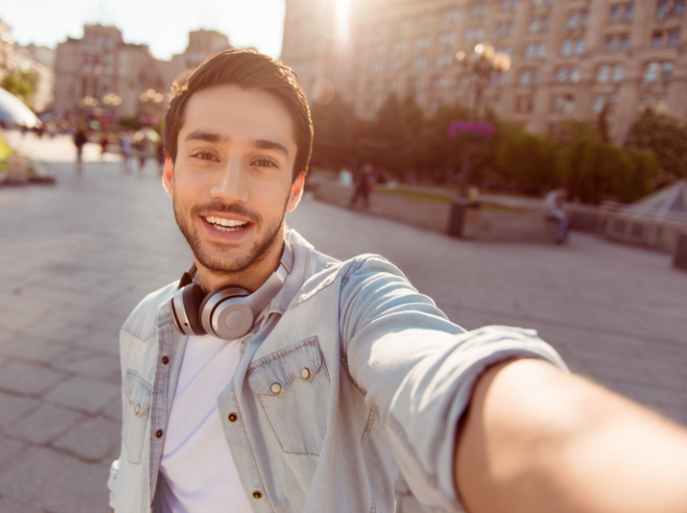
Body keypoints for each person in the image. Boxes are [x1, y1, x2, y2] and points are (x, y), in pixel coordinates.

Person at [108, 50, 687, 513]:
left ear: (295, 188)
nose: (229, 189)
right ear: (169, 172)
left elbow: (437, 372)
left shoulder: (350, 302)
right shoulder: (144, 327)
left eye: (263, 161)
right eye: (205, 153)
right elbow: (137, 467)